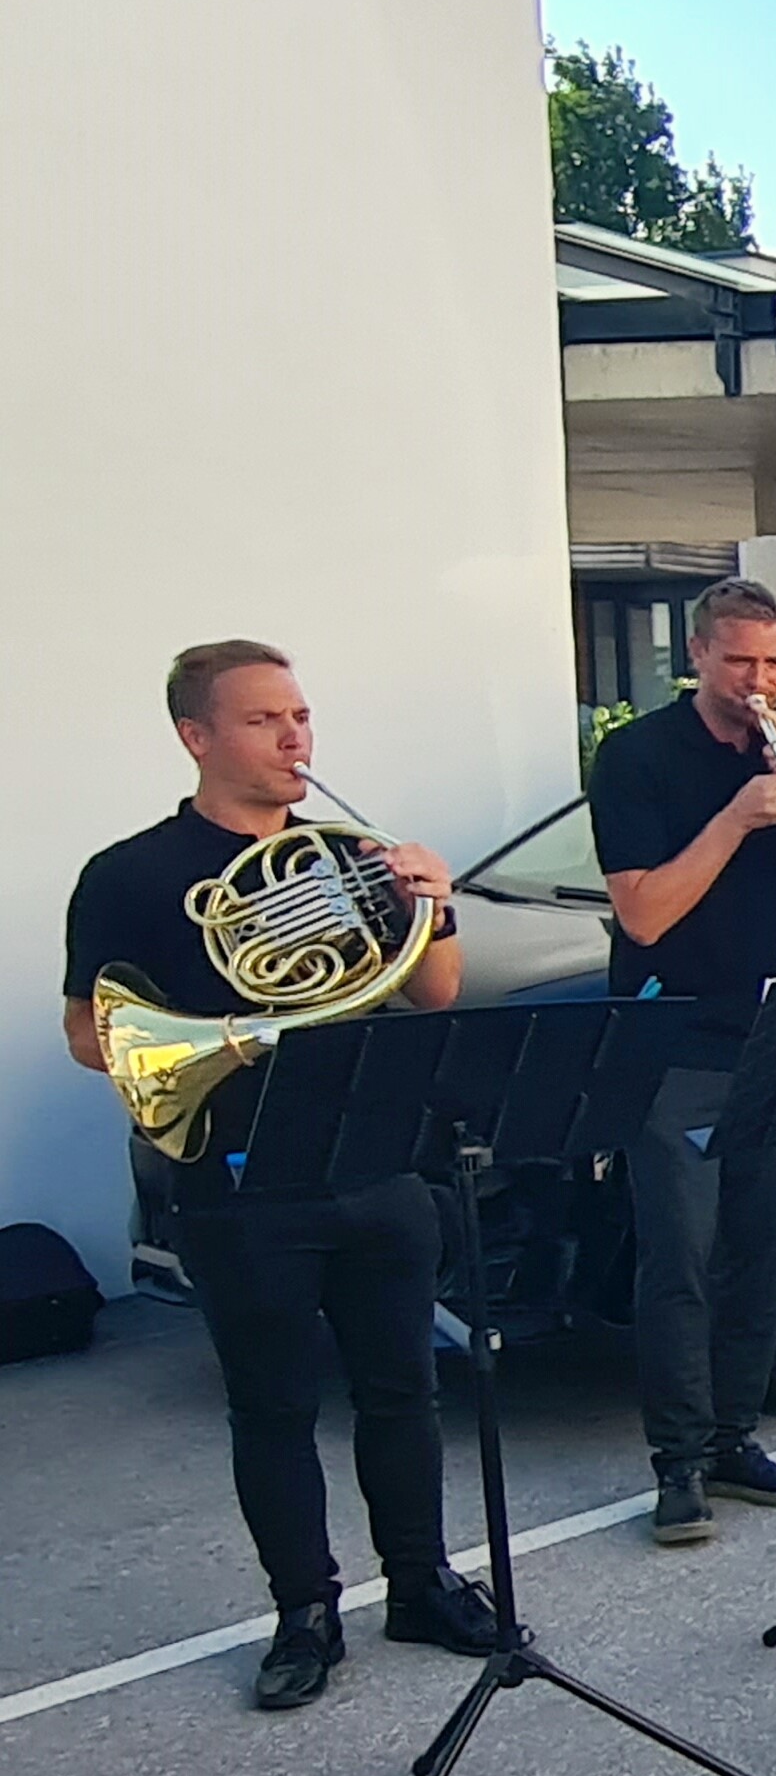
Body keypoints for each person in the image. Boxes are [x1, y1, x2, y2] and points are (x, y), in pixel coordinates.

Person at [61, 640, 499, 1710]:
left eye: (300, 715)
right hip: (239, 1178)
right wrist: (223, 1037)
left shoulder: (354, 861)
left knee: (404, 1392)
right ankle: (303, 1612)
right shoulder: (130, 874)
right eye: (264, 720)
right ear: (196, 736)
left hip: (375, 1161)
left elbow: (436, 993)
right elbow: (89, 1033)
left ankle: (421, 1582)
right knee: (273, 1408)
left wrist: (433, 906)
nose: (295, 736)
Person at [589, 578, 776, 1547]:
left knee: (762, 1246)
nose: (760, 681)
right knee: (681, 1258)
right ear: (697, 657)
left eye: (774, 662)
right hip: (672, 1036)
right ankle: (676, 1465)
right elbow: (644, 913)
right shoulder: (637, 756)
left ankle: (733, 1440)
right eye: (740, 662)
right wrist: (738, 817)